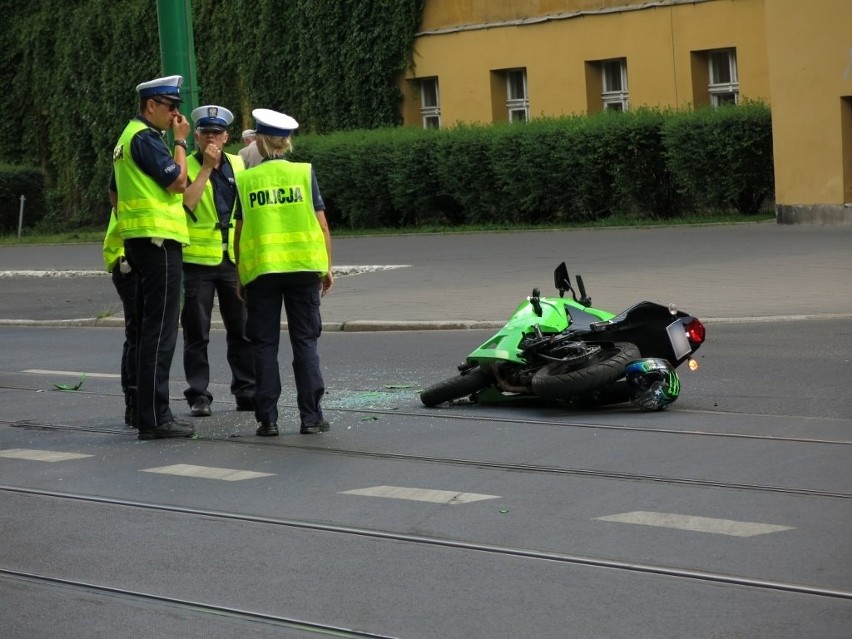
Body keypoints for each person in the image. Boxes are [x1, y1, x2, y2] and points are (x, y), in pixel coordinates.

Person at [234, 108, 333, 437]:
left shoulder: (246, 179)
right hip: (304, 269)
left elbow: (239, 229)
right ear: (287, 142)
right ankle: (310, 417)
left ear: (260, 141)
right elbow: (321, 224)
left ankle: (268, 420)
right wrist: (327, 267)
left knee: (264, 345)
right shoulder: (304, 173)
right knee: (305, 342)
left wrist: (240, 274)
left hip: (262, 272)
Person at [109, 75, 195, 440]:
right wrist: (180, 142)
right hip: (158, 242)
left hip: (141, 241)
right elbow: (178, 181)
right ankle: (155, 418)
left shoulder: (127, 140)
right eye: (171, 107)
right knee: (160, 331)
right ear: (151, 106)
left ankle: (147, 412)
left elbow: (114, 195)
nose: (176, 114)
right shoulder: (144, 138)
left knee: (147, 330)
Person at [181, 105, 255, 417]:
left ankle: (247, 390)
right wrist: (207, 168)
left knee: (242, 329)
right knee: (197, 332)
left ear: (226, 137)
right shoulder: (184, 165)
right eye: (204, 132)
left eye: (216, 133)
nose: (211, 137)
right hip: (197, 261)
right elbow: (187, 203)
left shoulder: (240, 164)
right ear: (196, 137)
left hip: (233, 260)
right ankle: (199, 395)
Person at [102, 207, 137, 428]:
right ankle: (134, 403)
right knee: (139, 335)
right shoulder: (138, 174)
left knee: (140, 334)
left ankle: (136, 403)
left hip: (135, 261)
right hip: (130, 264)